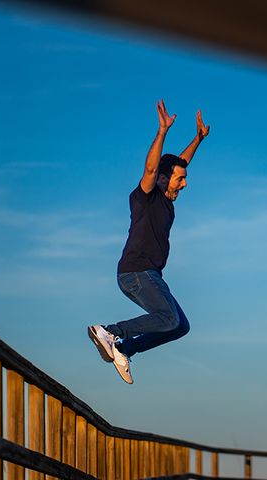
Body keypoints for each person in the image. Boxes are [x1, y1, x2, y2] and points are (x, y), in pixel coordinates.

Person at [87, 100, 210, 384]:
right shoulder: (146, 196)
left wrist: (198, 139)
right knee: (168, 318)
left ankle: (123, 349)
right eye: (180, 180)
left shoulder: (167, 197)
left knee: (179, 326)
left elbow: (179, 163)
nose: (185, 184)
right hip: (136, 272)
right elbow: (154, 168)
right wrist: (162, 131)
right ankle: (109, 331)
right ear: (164, 179)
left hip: (149, 274)